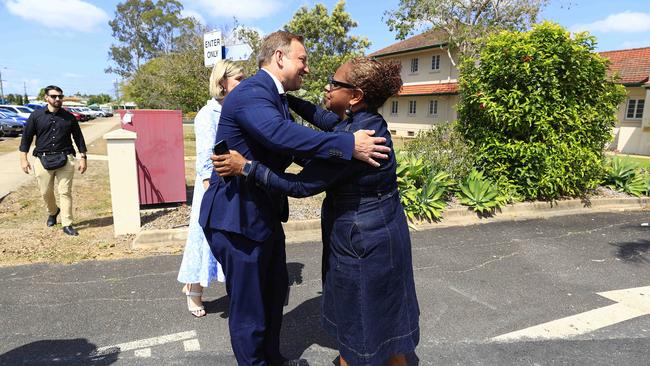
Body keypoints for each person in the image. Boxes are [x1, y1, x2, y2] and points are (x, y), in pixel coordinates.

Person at [199, 31, 391, 366]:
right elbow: (281, 134)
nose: (307, 68)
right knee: (250, 310)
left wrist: (326, 162)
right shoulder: (252, 93)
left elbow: (290, 146)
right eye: (302, 59)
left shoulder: (274, 97)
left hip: (263, 214)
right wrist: (348, 146)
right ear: (279, 57)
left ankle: (274, 359)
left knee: (273, 299)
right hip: (237, 217)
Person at [176, 60, 244, 318]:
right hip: (213, 189)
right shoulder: (208, 114)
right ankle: (193, 291)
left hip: (231, 184)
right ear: (222, 83)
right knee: (204, 241)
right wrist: (212, 190)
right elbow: (205, 158)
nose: (243, 84)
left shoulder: (236, 110)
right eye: (238, 79)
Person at [19, 85, 87, 236]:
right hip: (42, 159)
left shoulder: (69, 117)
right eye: (54, 96)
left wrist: (83, 157)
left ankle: (67, 223)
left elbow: (78, 138)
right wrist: (23, 159)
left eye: (60, 97)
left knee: (65, 192)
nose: (57, 99)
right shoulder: (36, 116)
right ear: (46, 98)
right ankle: (53, 211)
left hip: (66, 158)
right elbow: (26, 138)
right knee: (45, 192)